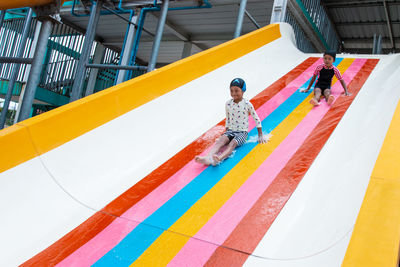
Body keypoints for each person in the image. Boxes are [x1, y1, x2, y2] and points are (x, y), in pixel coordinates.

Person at [195, 78, 267, 166]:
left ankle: (219, 159)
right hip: (231, 131)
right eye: (231, 90)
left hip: (242, 133)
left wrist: (260, 135)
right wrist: (226, 135)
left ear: (243, 91)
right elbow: (228, 118)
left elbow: (256, 118)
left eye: (236, 90)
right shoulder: (228, 103)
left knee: (232, 144)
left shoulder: (247, 104)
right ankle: (208, 158)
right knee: (220, 141)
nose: (233, 93)